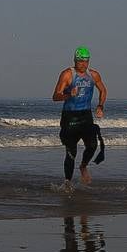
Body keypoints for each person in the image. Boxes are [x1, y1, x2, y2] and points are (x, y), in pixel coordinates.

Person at [51, 47, 106, 191]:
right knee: (71, 152)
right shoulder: (67, 75)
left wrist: (100, 106)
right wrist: (68, 94)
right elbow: (55, 96)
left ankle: (83, 166)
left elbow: (103, 90)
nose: (83, 64)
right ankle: (68, 182)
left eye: (86, 61)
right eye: (80, 61)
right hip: (70, 116)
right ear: (75, 60)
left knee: (93, 145)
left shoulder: (93, 75)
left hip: (86, 115)